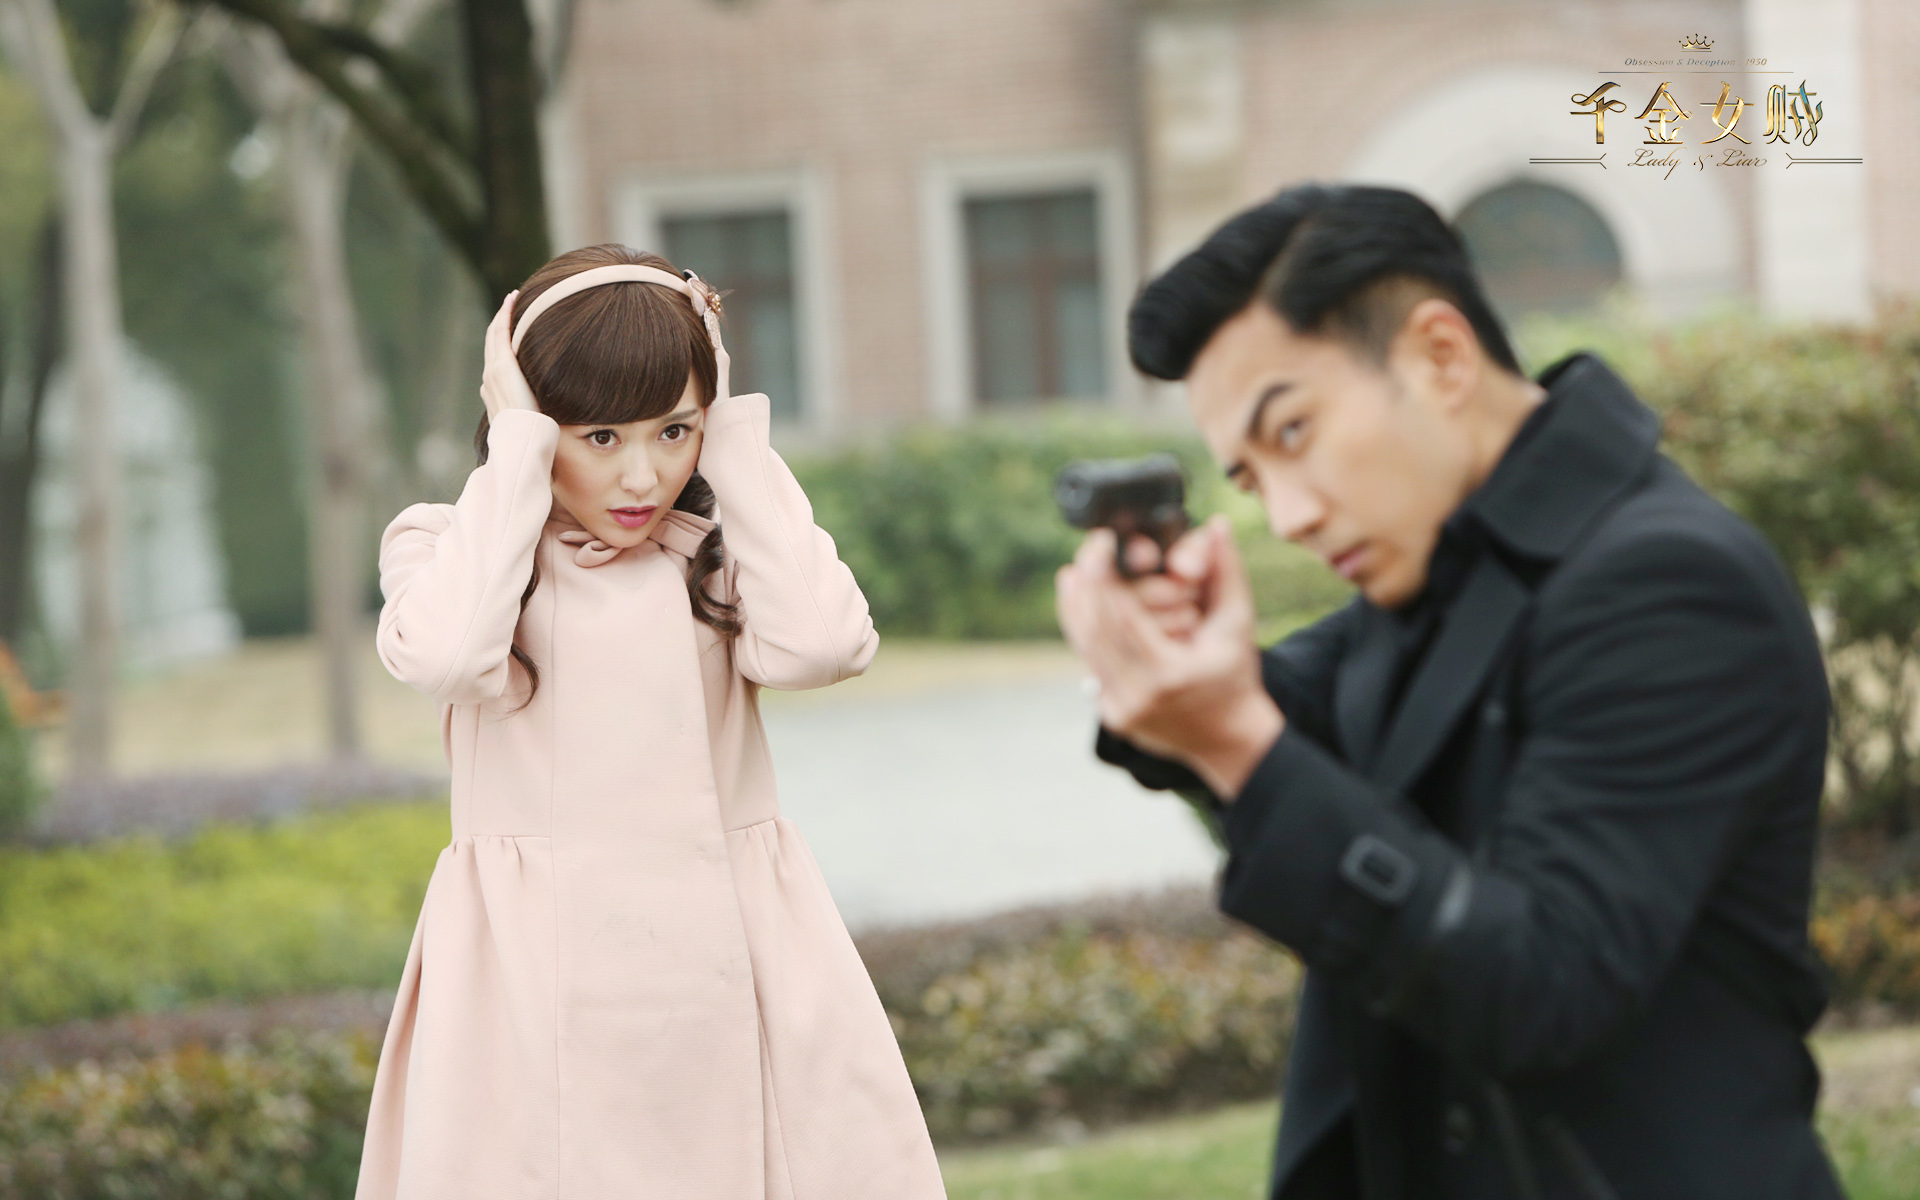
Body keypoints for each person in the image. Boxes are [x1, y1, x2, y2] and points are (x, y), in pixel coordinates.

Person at [1056, 185, 1841, 1200]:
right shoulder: (1450, 559)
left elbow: (1547, 991)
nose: (1288, 517)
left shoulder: (1674, 584)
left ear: (1440, 356)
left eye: (1291, 433)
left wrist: (1232, 739)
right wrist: (1167, 662)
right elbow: (1290, 720)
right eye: (1249, 478)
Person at [356, 244, 946, 1200]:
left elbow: (825, 645)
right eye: (600, 437)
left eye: (674, 431)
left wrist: (733, 444)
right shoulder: (448, 547)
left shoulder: (714, 555)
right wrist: (517, 451)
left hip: (737, 957)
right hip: (531, 976)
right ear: (531, 421)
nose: (642, 476)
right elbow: (450, 656)